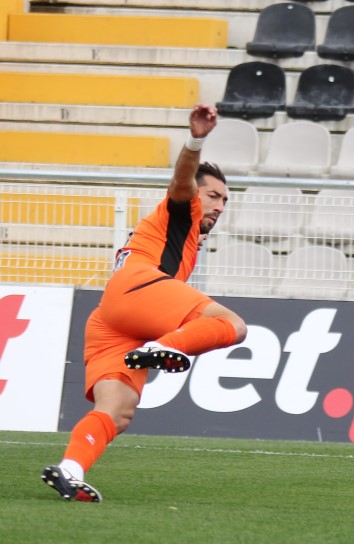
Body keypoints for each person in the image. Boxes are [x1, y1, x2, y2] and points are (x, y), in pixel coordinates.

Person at [41, 104, 248, 503]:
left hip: (113, 317)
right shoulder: (181, 207)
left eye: (226, 201)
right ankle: (165, 346)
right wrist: (196, 139)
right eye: (214, 196)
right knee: (234, 326)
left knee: (118, 410)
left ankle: (70, 468)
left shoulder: (180, 236)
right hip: (137, 290)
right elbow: (182, 179)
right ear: (196, 195)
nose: (220, 207)